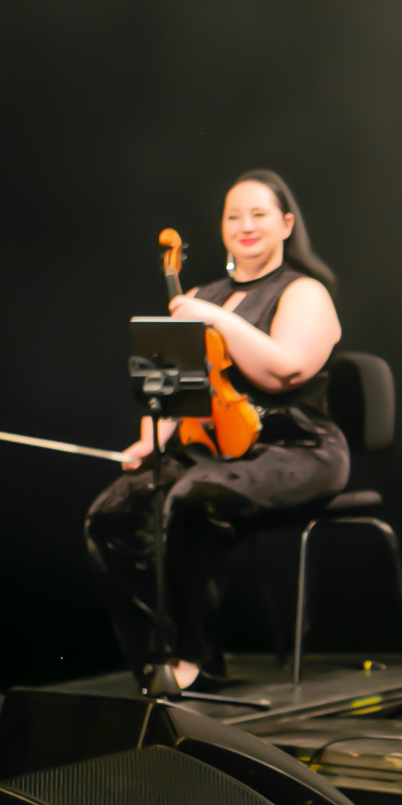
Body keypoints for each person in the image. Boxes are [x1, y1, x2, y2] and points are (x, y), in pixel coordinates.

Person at [85, 170, 347, 693]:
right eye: (233, 216)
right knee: (112, 514)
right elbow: (172, 394)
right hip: (217, 449)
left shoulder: (304, 292)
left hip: (296, 446)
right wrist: (151, 439)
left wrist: (214, 319)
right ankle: (154, 657)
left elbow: (285, 370)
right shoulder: (204, 292)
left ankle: (192, 657)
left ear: (286, 224)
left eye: (259, 214)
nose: (244, 225)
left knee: (192, 498)